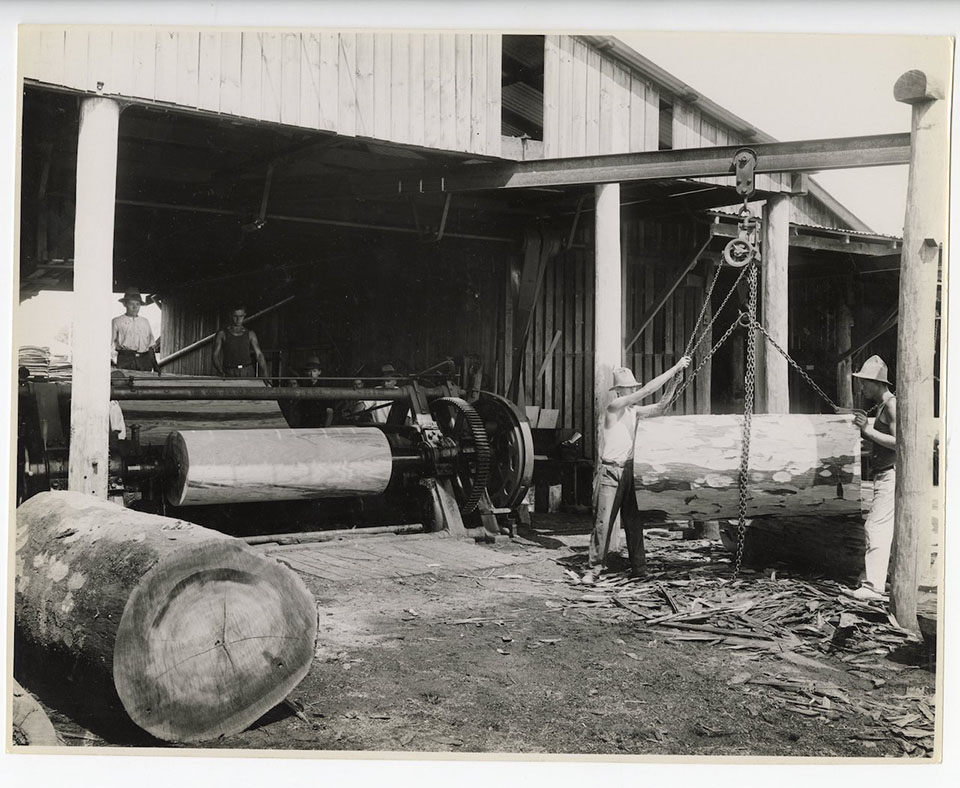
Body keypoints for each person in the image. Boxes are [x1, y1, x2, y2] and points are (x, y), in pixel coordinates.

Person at [583, 356, 691, 585]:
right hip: (611, 473)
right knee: (603, 522)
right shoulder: (613, 408)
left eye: (633, 388)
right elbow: (646, 392)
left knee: (634, 521)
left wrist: (675, 382)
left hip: (630, 471)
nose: (632, 391)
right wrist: (675, 368)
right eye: (629, 389)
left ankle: (639, 568)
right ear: (620, 392)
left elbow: (661, 406)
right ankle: (593, 569)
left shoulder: (634, 411)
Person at [845, 355, 897, 602]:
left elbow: (900, 443)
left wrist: (868, 430)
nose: (862, 387)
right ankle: (881, 579)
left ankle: (874, 587)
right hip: (883, 475)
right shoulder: (882, 407)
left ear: (878, 383)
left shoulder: (892, 405)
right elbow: (881, 442)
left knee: (875, 526)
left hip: (891, 476)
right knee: (883, 528)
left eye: (865, 382)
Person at [212, 305, 269, 377]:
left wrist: (265, 373)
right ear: (230, 315)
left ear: (244, 315)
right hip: (229, 371)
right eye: (235, 316)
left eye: (241, 316)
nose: (238, 319)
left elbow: (259, 354)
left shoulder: (250, 334)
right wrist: (220, 370)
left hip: (247, 371)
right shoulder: (222, 334)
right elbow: (215, 355)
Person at [112, 287, 159, 372]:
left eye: (137, 304)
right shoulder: (117, 321)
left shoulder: (145, 322)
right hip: (126, 359)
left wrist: (155, 366)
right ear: (125, 304)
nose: (135, 307)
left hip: (144, 361)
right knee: (125, 383)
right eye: (131, 304)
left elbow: (150, 346)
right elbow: (109, 344)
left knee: (143, 383)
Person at [296, 356, 334, 427]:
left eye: (314, 371)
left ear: (319, 372)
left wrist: (325, 428)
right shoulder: (305, 387)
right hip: (306, 424)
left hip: (319, 424)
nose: (311, 374)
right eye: (309, 371)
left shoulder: (324, 388)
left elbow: (330, 411)